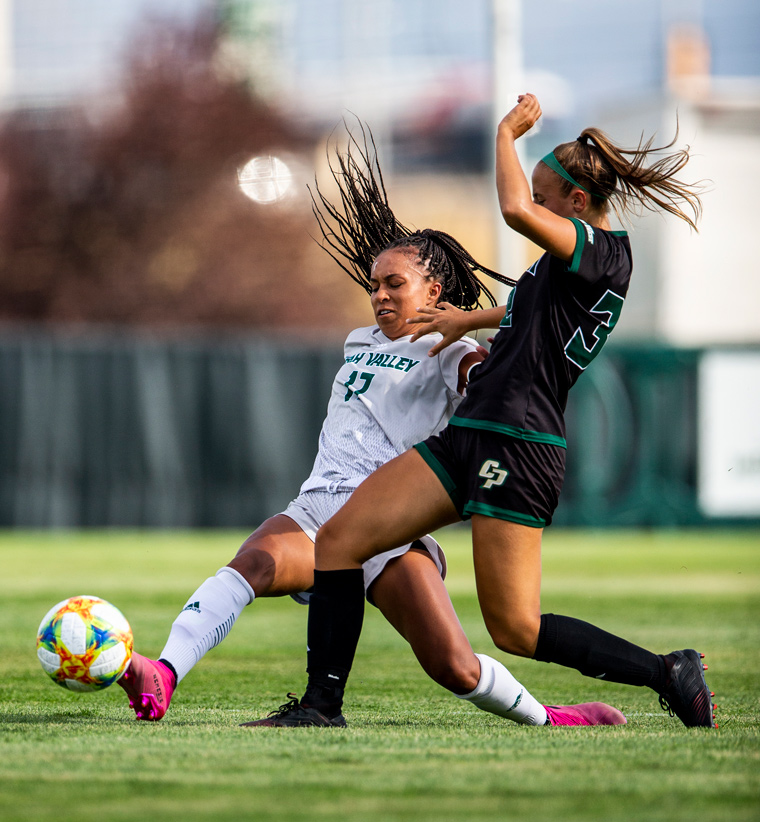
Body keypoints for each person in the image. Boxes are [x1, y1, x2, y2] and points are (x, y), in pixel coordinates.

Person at [118, 126, 626, 728]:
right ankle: (164, 674)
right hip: (319, 506)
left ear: (434, 290)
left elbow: (485, 381)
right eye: (375, 286)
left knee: (455, 667)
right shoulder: (359, 340)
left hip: (389, 521)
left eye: (395, 284)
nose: (381, 297)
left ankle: (552, 717)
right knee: (251, 564)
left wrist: (477, 370)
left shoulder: (450, 347)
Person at [261, 93, 716, 730]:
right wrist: (464, 319)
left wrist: (506, 134)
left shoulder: (604, 251)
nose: (536, 209)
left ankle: (666, 672)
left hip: (518, 441)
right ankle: (319, 708)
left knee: (515, 628)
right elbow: (524, 310)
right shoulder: (568, 265)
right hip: (471, 431)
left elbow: (511, 209)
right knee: (339, 540)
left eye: (546, 197)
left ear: (577, 204)